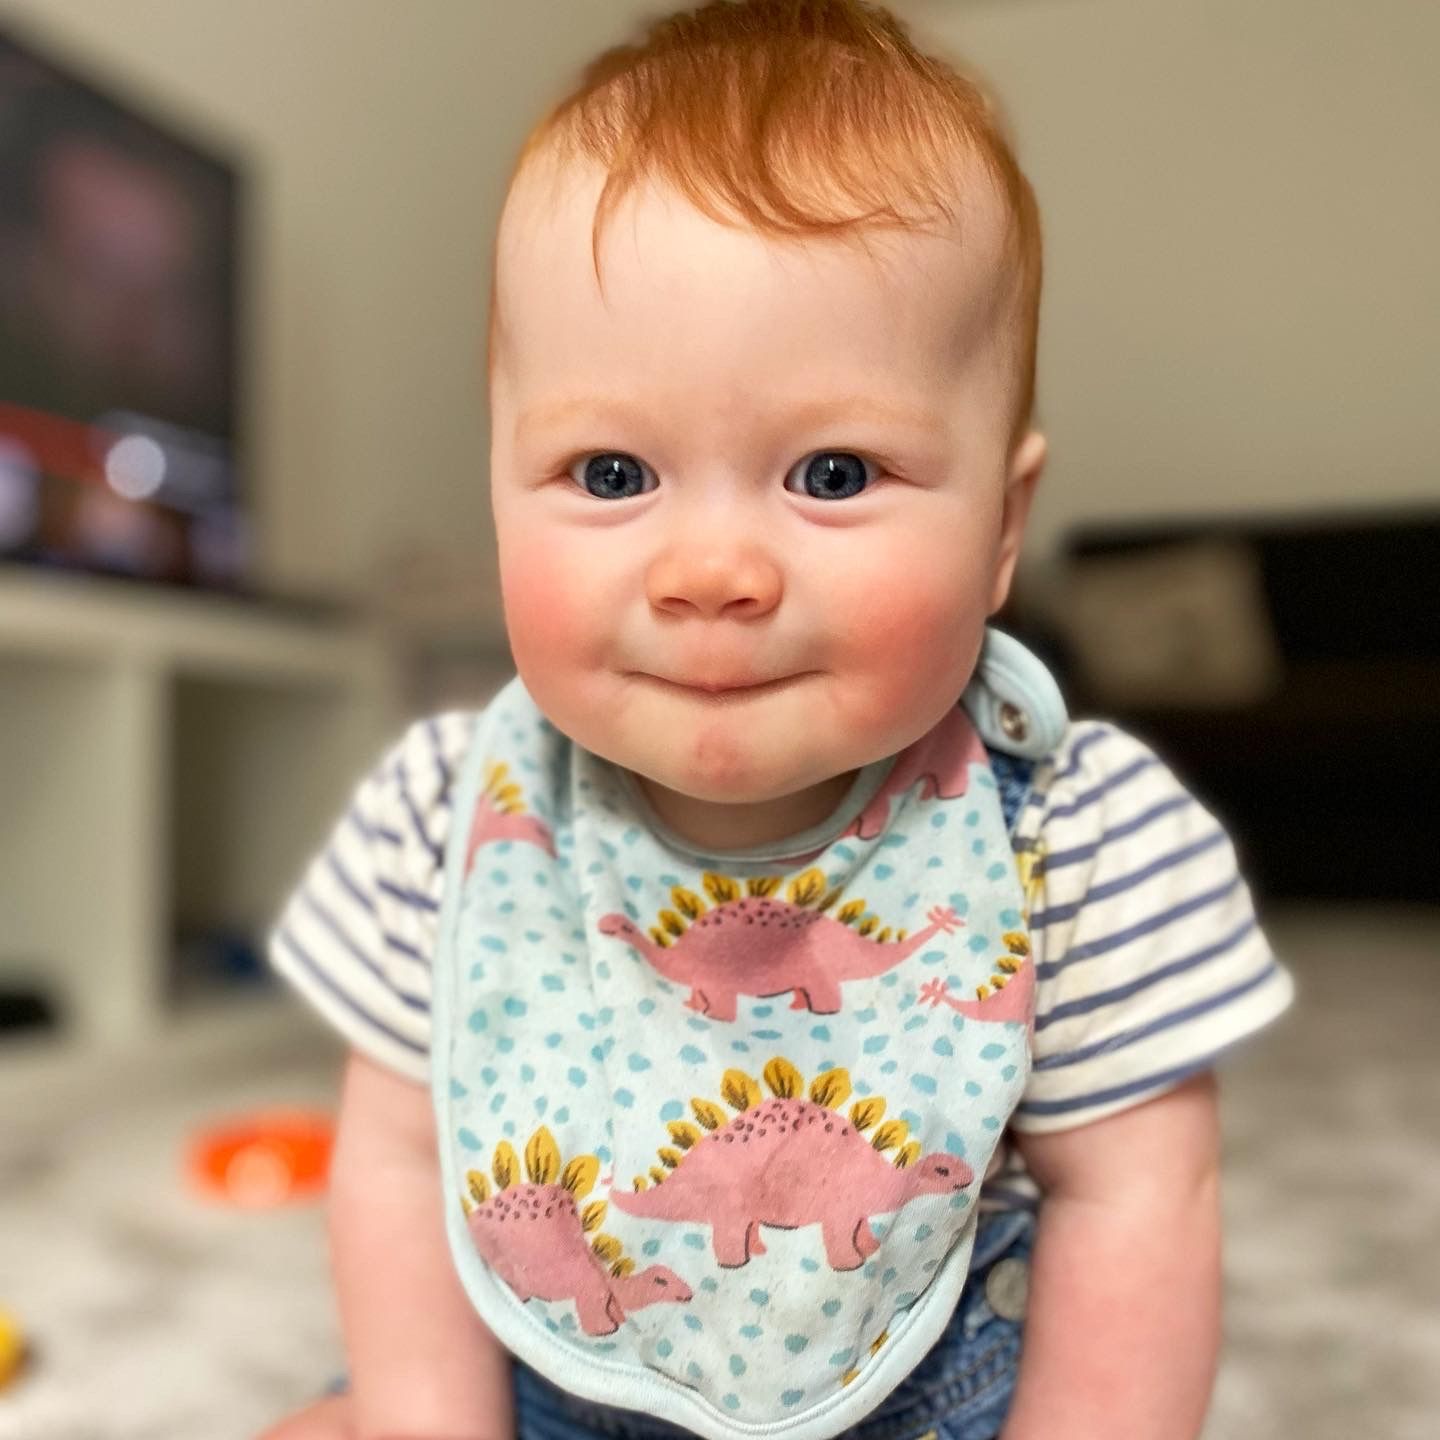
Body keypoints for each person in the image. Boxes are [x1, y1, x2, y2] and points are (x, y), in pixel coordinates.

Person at [261, 3, 1294, 1437]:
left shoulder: (1080, 833)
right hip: (548, 1375)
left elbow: (1139, 1202)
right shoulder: (448, 810)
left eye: (832, 470)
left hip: (930, 1394)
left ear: (1002, 527)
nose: (712, 575)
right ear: (498, 480)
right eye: (612, 473)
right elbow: (390, 1161)